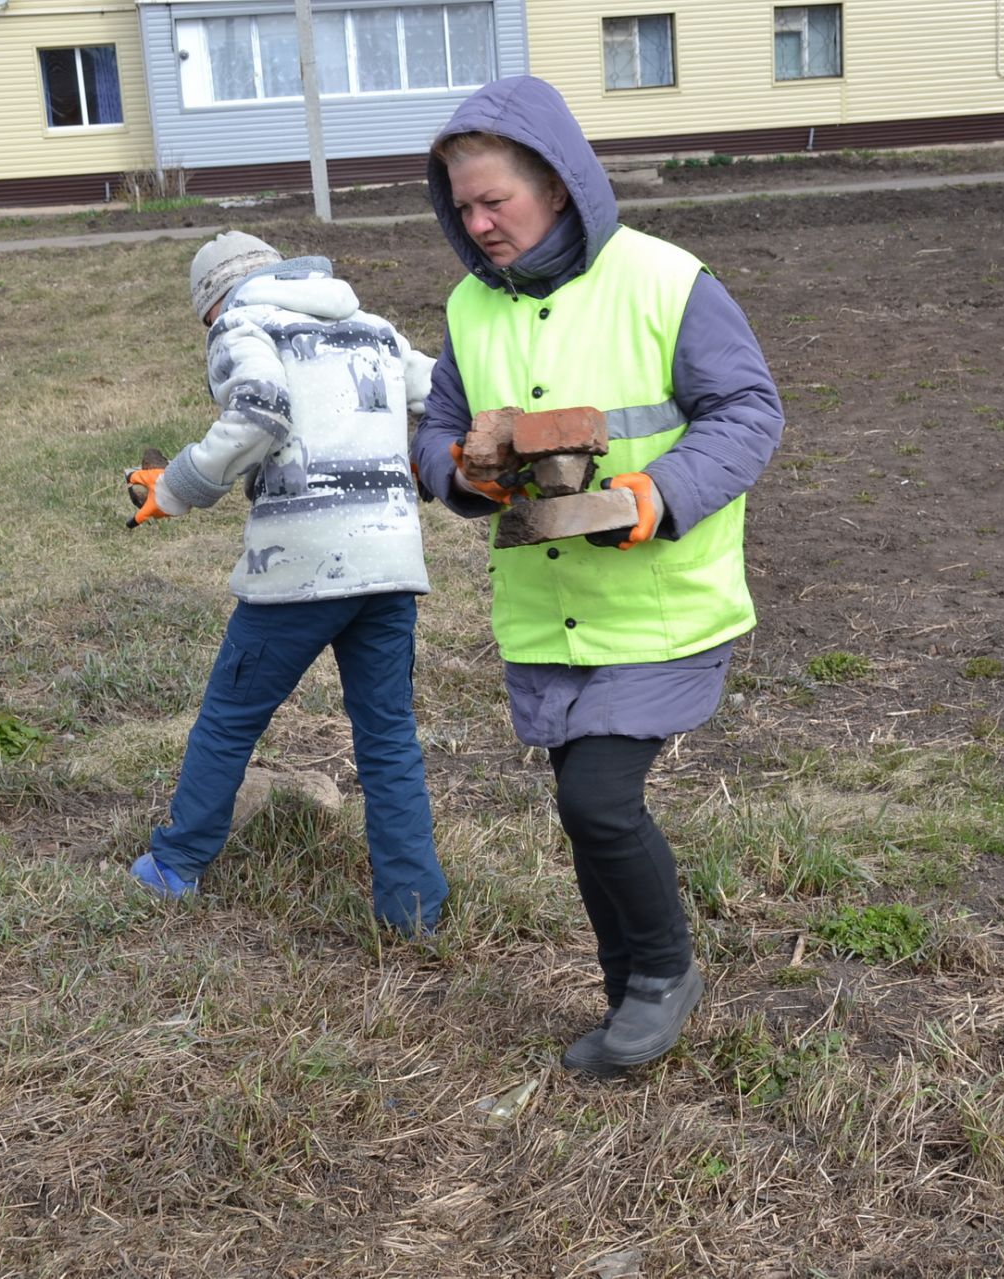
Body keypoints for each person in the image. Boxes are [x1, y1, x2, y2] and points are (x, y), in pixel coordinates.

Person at [411, 77, 784, 1076]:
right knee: (581, 800)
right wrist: (460, 470)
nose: (477, 222)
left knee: (599, 802)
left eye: (497, 200)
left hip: (660, 603)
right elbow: (440, 428)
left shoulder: (667, 281)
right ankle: (628, 993)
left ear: (561, 187)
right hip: (549, 616)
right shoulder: (469, 308)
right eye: (463, 204)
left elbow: (749, 413)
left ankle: (664, 975)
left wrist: (659, 495)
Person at [124, 230, 449, 935]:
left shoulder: (243, 323)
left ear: (212, 303)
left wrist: (176, 487)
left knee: (231, 717)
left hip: (299, 566)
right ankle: (414, 908)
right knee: (388, 734)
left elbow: (260, 410)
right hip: (389, 561)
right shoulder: (375, 328)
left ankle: (175, 865)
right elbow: (445, 395)